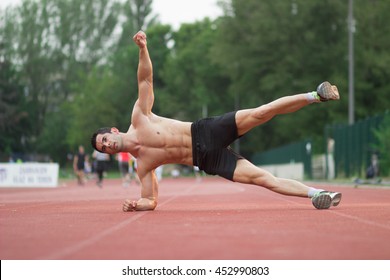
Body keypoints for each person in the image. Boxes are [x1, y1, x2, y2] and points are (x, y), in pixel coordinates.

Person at [91, 30, 342, 211]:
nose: (108, 145)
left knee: (261, 113)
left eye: (105, 140)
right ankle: (318, 194)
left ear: (113, 131)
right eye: (104, 148)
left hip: (204, 132)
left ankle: (316, 95)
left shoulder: (139, 117)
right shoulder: (142, 167)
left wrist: (143, 49)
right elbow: (151, 200)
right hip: (207, 160)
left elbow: (145, 80)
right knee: (263, 179)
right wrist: (137, 205)